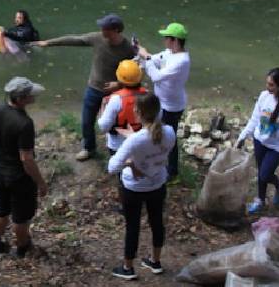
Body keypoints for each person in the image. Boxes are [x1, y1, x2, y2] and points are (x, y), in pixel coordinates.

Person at [34, 15, 135, 161]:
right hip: (94, 88)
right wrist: (48, 43)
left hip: (115, 93)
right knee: (87, 121)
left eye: (105, 28)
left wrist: (119, 84)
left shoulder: (128, 49)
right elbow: (76, 39)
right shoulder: (97, 38)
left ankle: (118, 150)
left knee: (115, 123)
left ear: (116, 30)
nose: (101, 30)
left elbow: (134, 72)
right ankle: (89, 148)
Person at [107, 93, 175, 280]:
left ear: (137, 112)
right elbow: (153, 144)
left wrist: (129, 162)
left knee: (133, 226)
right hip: (158, 184)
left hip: (134, 188)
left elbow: (112, 167)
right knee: (156, 221)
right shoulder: (169, 132)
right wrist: (133, 137)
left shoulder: (135, 140)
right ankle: (155, 261)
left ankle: (128, 267)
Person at [0, 77, 48, 258]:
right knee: (21, 217)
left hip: (0, 171)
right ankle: (22, 247)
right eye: (31, 95)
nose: (34, 98)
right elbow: (27, 159)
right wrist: (41, 183)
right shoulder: (24, 123)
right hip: (19, 177)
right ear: (21, 99)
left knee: (2, 210)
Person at [236, 68, 279, 214]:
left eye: (271, 85)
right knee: (261, 173)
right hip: (259, 140)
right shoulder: (264, 96)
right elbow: (254, 119)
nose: (267, 87)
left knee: (265, 174)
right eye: (267, 83)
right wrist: (243, 136)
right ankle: (260, 200)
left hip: (277, 147)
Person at [137, 22, 190, 181]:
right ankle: (158, 160)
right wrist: (140, 55)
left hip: (172, 106)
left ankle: (172, 171)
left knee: (169, 137)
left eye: (166, 38)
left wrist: (146, 57)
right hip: (163, 102)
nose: (164, 41)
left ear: (174, 40)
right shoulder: (169, 52)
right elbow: (155, 59)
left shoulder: (182, 60)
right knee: (159, 132)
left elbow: (156, 76)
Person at [97, 60, 148, 156]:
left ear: (120, 79)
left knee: (120, 169)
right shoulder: (148, 95)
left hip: (118, 145)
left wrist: (103, 105)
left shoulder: (116, 99)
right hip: (142, 142)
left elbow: (103, 126)